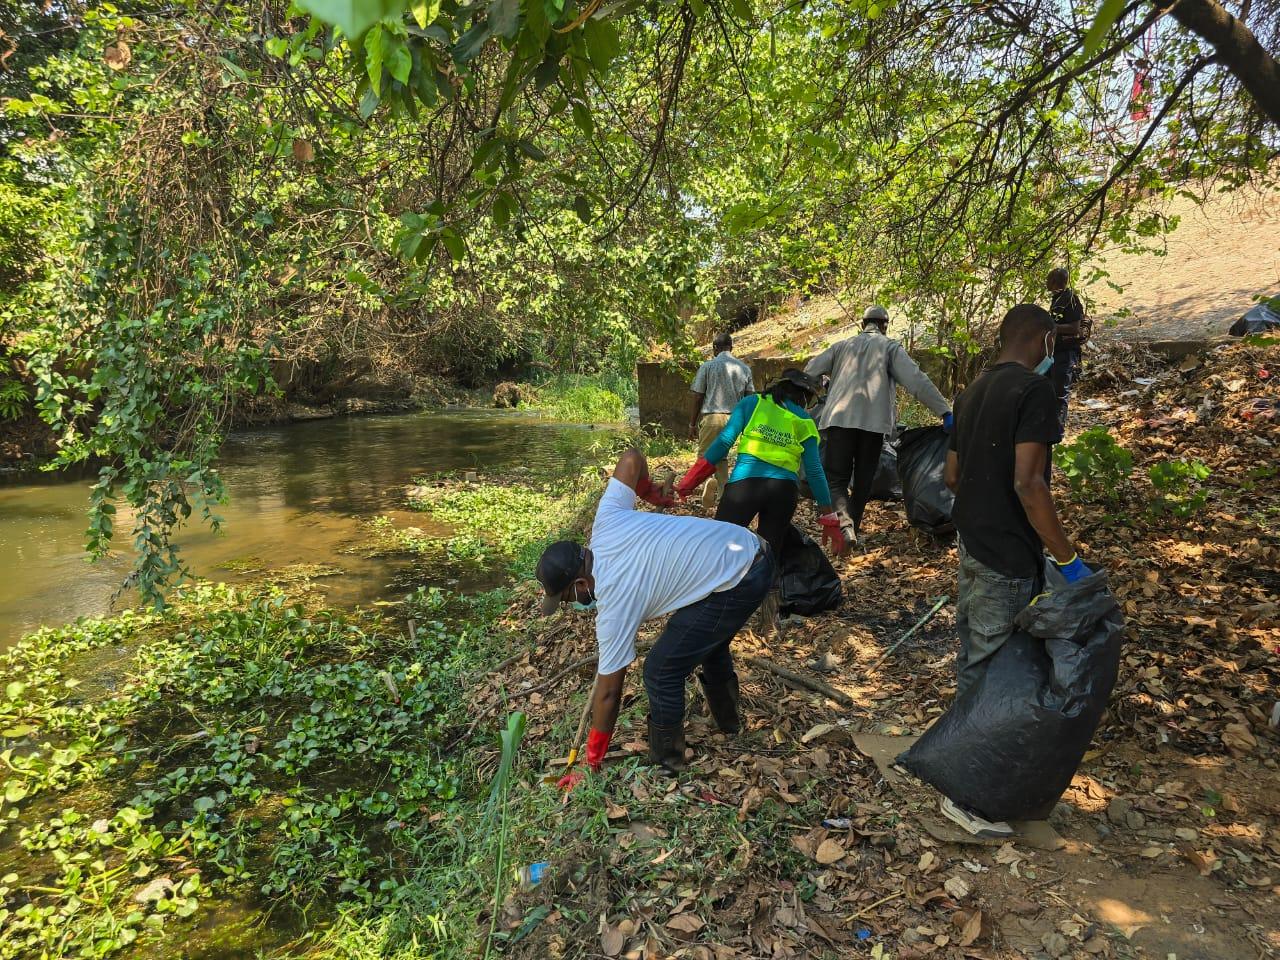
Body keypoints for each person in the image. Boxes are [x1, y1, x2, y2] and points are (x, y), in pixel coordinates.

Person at [941, 303, 1093, 838]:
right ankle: (970, 798)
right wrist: (1067, 557)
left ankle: (958, 765)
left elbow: (953, 475)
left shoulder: (971, 392)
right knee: (994, 669)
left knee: (976, 659)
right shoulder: (1035, 392)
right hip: (1007, 555)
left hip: (973, 545)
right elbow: (1030, 483)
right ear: (1045, 340)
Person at [537, 449, 773, 782]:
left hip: (744, 574)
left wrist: (591, 761)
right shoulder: (606, 521)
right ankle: (730, 724)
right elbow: (631, 459)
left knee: (661, 670)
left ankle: (668, 764)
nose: (571, 606)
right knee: (706, 638)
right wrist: (650, 494)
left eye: (566, 599)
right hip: (744, 546)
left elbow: (608, 692)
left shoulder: (614, 603)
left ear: (580, 583)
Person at [805, 305, 953, 547]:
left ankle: (845, 525)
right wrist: (944, 411)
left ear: (863, 324)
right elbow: (916, 380)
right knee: (864, 481)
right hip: (873, 426)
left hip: (839, 422)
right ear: (885, 325)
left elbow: (811, 369)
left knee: (837, 479)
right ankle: (854, 527)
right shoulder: (889, 347)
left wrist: (823, 382)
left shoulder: (842, 346)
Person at [674, 369, 845, 561]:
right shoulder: (805, 420)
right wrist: (829, 520)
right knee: (768, 557)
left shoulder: (752, 403)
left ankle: (716, 587)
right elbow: (814, 471)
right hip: (783, 492)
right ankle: (766, 589)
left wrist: (688, 483)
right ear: (804, 398)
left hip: (744, 485)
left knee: (721, 546)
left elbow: (722, 444)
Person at [687, 333, 754, 511]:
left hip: (713, 417)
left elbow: (698, 395)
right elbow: (750, 398)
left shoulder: (708, 366)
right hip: (735, 420)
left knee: (704, 457)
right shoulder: (744, 368)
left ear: (714, 349)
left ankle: (708, 485)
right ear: (731, 347)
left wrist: (692, 424)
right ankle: (723, 495)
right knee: (722, 457)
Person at [1046, 268, 1086, 437]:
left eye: (1049, 280)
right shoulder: (1058, 299)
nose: (1046, 283)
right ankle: (1050, 427)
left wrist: (1054, 328)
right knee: (1050, 391)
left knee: (1060, 393)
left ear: (1056, 281)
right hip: (1055, 352)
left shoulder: (1071, 300)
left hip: (1066, 353)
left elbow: (1075, 328)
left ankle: (1058, 432)